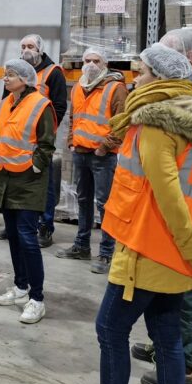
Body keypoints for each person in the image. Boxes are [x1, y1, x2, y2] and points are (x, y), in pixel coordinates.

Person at [54, 43, 192, 384]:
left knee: (110, 330)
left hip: (147, 248)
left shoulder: (155, 124)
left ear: (161, 79)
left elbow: (168, 195)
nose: (136, 79)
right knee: (167, 340)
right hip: (175, 254)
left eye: (143, 72)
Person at [127, 29, 192, 384]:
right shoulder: (187, 89)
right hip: (181, 199)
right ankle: (162, 344)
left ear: (187, 58)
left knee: (184, 284)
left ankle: (183, 363)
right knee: (164, 282)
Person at [0, 59, 56, 324]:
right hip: (4, 178)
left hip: (29, 181)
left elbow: (46, 145)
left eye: (11, 75)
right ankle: (20, 287)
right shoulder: (4, 103)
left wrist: (35, 166)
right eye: (5, 74)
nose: (5, 78)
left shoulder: (41, 105)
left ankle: (37, 299)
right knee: (15, 237)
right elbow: (0, 138)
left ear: (25, 79)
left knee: (28, 238)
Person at [55, 47, 127, 273]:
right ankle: (81, 246)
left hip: (102, 156)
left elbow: (122, 123)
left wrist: (104, 148)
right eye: (87, 60)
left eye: (96, 61)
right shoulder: (78, 87)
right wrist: (71, 141)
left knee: (105, 204)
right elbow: (73, 117)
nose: (91, 65)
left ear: (105, 64)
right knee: (83, 200)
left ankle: (106, 253)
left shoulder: (116, 88)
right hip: (80, 153)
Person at [0, 33, 67, 247]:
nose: (26, 50)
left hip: (38, 140)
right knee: (12, 184)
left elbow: (59, 106)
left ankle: (45, 227)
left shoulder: (53, 72)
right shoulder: (13, 72)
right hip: (12, 141)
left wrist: (45, 132)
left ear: (40, 50)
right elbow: (6, 103)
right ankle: (13, 225)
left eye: (31, 46)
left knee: (43, 185)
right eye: (23, 46)